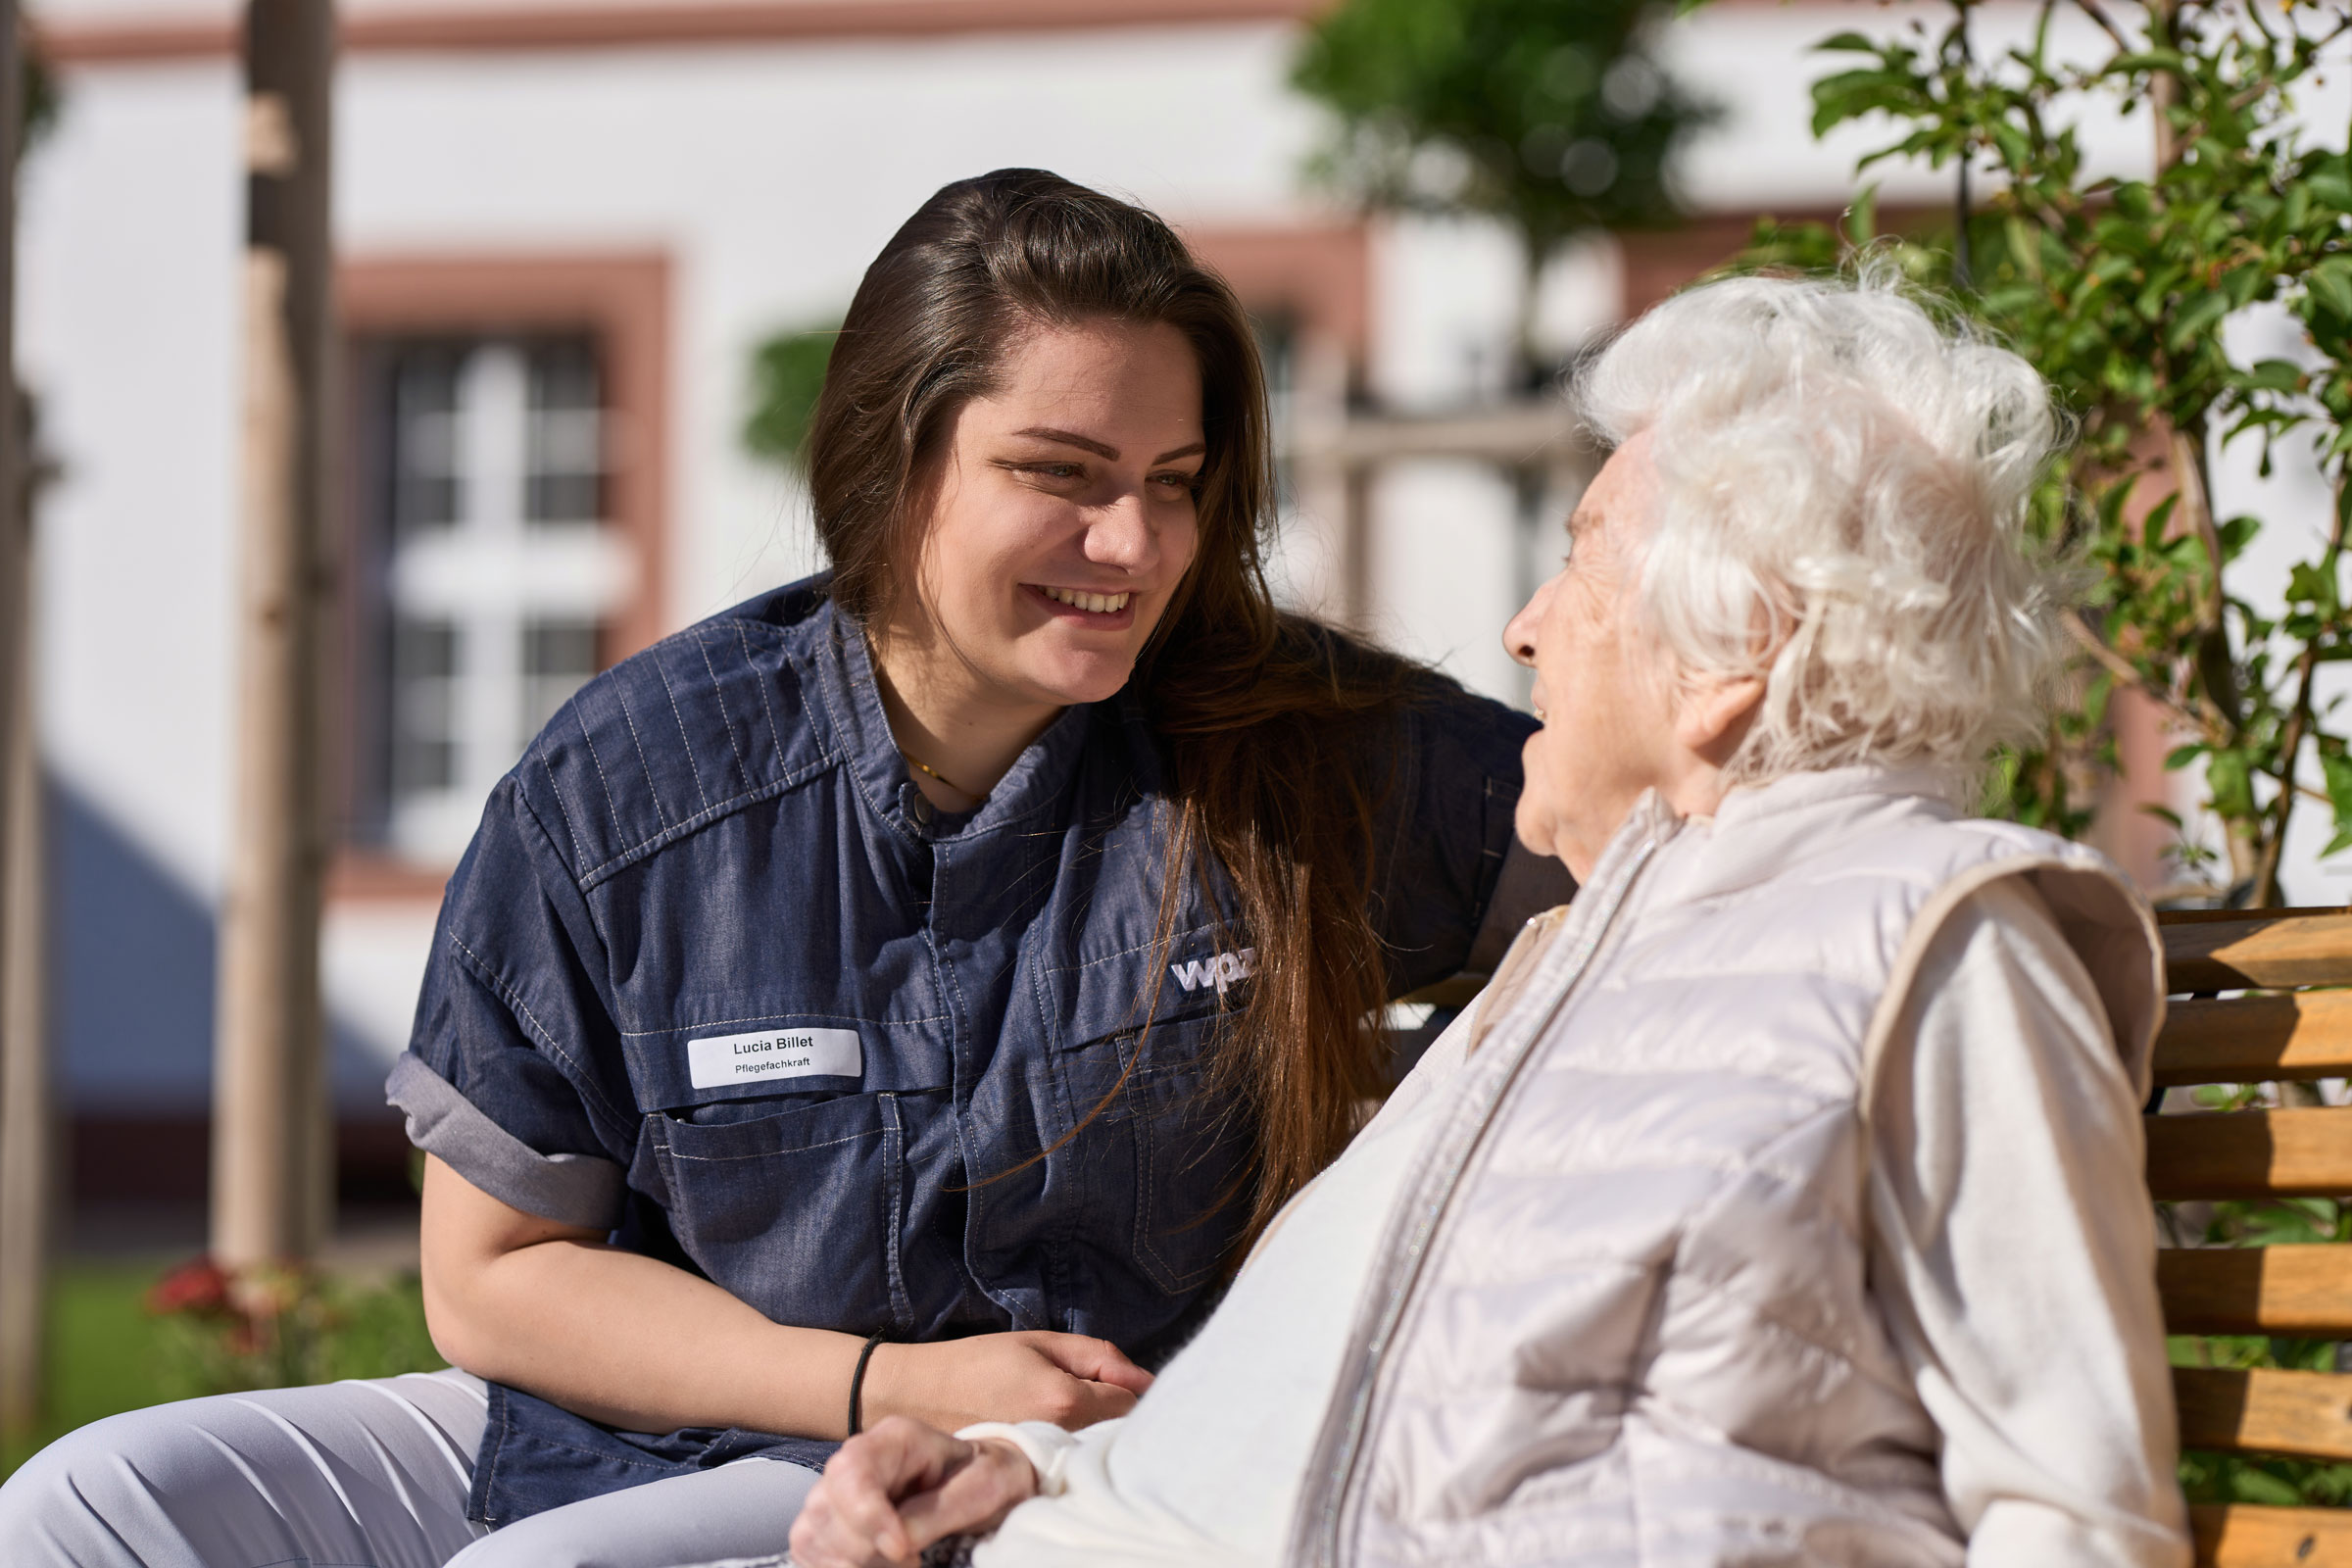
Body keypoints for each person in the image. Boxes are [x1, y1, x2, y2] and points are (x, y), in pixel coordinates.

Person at [0, 171, 1563, 1568]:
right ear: (896, 466)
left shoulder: (1291, 746)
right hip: (670, 1426)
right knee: (86, 1505)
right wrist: (875, 1378)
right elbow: (493, 1278)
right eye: (1064, 471)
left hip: (1038, 1478)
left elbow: (1630, 829)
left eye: (1173, 479)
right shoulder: (631, 793)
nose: (1134, 545)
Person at [784, 270, 2194, 1568]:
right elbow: (1296, 1411)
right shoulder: (1570, 965)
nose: (1523, 628)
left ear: (1733, 656)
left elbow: (2074, 1516)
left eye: (1580, 560)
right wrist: (1017, 1475)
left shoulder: (1940, 948)